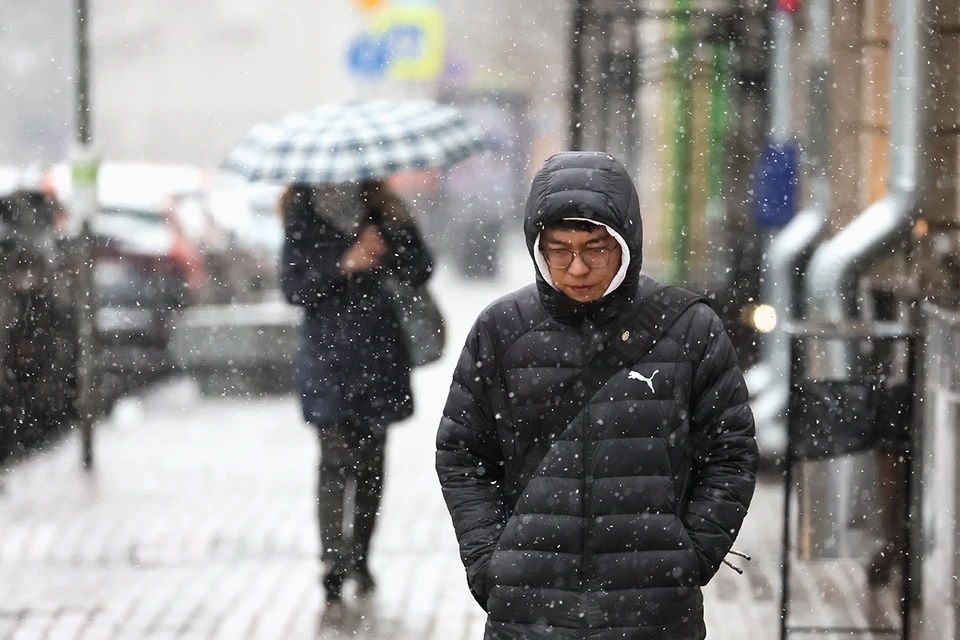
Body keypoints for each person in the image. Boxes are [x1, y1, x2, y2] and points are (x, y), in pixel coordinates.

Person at [435, 152, 758, 639]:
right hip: (529, 610)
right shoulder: (502, 330)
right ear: (537, 248)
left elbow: (730, 454)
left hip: (653, 612)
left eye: (596, 248)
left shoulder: (690, 329)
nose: (578, 267)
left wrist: (690, 557)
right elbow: (462, 454)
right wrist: (489, 562)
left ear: (626, 244)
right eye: (558, 250)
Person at [280, 179, 433, 603]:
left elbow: (421, 270)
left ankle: (360, 557)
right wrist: (345, 264)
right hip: (327, 357)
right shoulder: (302, 215)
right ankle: (333, 560)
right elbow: (293, 288)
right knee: (333, 459)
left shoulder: (385, 211)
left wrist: (386, 248)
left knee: (370, 464)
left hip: (379, 353)